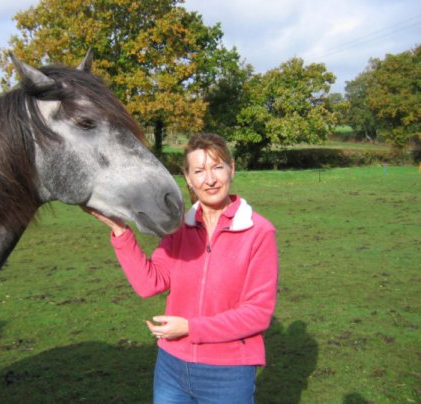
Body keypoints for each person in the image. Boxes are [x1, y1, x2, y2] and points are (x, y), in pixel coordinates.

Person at [85, 133, 279, 403]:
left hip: (228, 374)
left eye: (217, 167)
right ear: (188, 178)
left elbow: (257, 314)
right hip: (171, 367)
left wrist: (190, 328)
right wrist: (120, 230)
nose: (209, 179)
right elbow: (149, 283)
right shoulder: (179, 229)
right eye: (199, 171)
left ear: (232, 169)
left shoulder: (259, 232)